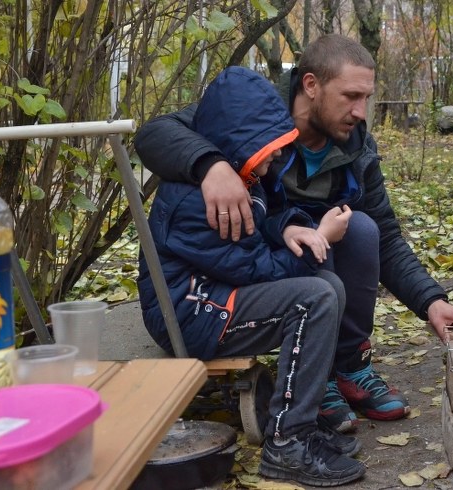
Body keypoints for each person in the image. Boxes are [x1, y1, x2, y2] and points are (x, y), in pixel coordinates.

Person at [134, 34, 453, 433]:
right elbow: (153, 133)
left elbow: (387, 236)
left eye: (366, 97)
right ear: (311, 85)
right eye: (350, 96)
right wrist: (211, 165)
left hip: (288, 247)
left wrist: (431, 301)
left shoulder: (358, 150)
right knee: (317, 262)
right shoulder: (252, 115)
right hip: (254, 261)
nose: (361, 111)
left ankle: (349, 367)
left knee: (362, 229)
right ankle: (317, 382)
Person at [137, 66, 365, 487]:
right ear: (240, 142)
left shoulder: (244, 176)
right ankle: (286, 443)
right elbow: (252, 267)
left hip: (219, 295)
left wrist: (290, 227)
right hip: (192, 311)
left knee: (328, 288)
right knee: (313, 298)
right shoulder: (199, 202)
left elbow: (264, 222)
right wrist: (319, 237)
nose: (277, 156)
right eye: (271, 147)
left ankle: (303, 421)